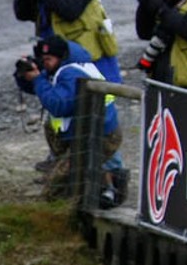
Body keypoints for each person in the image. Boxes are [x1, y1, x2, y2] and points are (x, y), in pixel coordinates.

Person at [15, 34, 128, 205]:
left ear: (60, 57)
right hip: (92, 131)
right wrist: (25, 76)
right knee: (75, 164)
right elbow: (44, 89)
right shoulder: (70, 66)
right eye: (42, 59)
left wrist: (38, 79)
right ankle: (107, 182)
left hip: (97, 136)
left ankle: (107, 187)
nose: (45, 63)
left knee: (55, 190)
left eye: (48, 59)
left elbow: (58, 105)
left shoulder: (70, 74)